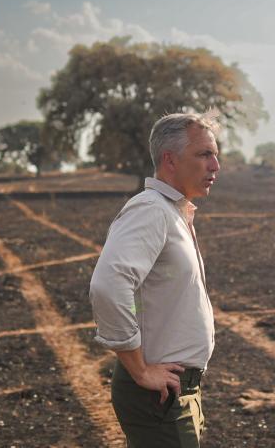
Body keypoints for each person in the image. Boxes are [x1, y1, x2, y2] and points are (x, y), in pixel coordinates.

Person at [89, 111, 220, 448]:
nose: (215, 166)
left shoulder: (173, 212)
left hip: (178, 390)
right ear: (169, 159)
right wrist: (140, 370)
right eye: (204, 154)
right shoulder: (151, 210)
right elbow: (109, 286)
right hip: (157, 393)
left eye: (215, 155)